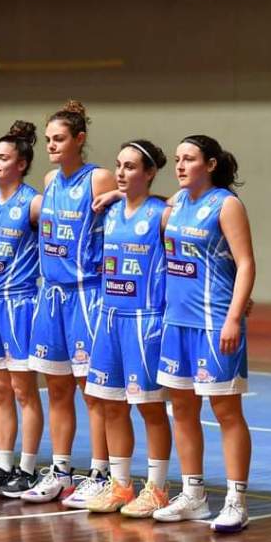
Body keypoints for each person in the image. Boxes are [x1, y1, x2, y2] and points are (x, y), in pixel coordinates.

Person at [153, 134, 254, 534]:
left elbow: (245, 264)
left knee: (226, 411)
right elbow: (141, 204)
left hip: (214, 322)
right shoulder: (176, 203)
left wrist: (234, 317)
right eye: (177, 159)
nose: (179, 165)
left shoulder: (226, 205)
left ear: (210, 165)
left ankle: (236, 501)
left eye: (189, 159)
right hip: (176, 322)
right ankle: (193, 495)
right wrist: (113, 196)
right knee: (182, 409)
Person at [22, 101, 117, 508]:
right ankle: (61, 471)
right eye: (48, 139)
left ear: (80, 139)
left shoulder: (98, 178)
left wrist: (119, 193)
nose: (50, 146)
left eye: (58, 139)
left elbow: (133, 212)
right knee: (57, 387)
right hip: (51, 294)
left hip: (87, 294)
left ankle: (101, 472)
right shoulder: (49, 180)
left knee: (91, 390)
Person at [83, 140, 173, 516]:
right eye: (118, 165)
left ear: (150, 173)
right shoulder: (111, 211)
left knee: (149, 407)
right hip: (109, 317)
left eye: (131, 166)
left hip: (144, 320)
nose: (120, 173)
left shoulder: (162, 214)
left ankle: (158, 488)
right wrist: (116, 196)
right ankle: (120, 485)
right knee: (110, 404)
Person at [0, 121, 46, 497]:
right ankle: (2, 466)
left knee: (22, 389)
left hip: (21, 302)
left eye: (3, 157)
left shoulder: (33, 203)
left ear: (22, 164)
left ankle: (27, 469)